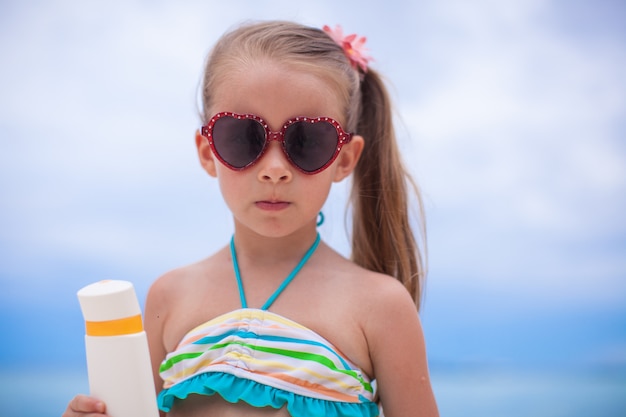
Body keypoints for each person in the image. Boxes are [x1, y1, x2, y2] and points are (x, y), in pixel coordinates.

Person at [64, 20, 439, 417]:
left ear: (344, 159)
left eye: (308, 141)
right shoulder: (168, 296)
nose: (274, 169)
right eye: (243, 137)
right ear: (208, 153)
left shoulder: (380, 305)